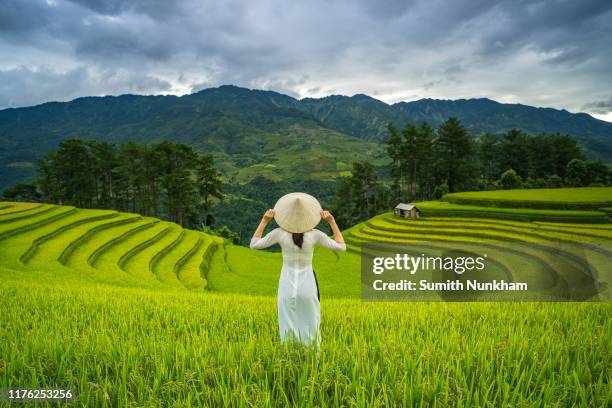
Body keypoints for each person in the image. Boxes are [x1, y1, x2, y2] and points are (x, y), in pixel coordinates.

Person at [249, 192, 346, 348]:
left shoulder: (279, 234)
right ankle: (313, 357)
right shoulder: (315, 235)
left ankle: (289, 355)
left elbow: (254, 244)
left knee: (287, 319)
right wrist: (332, 221)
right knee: (311, 320)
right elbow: (341, 246)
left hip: (286, 284)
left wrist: (265, 220)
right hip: (308, 284)